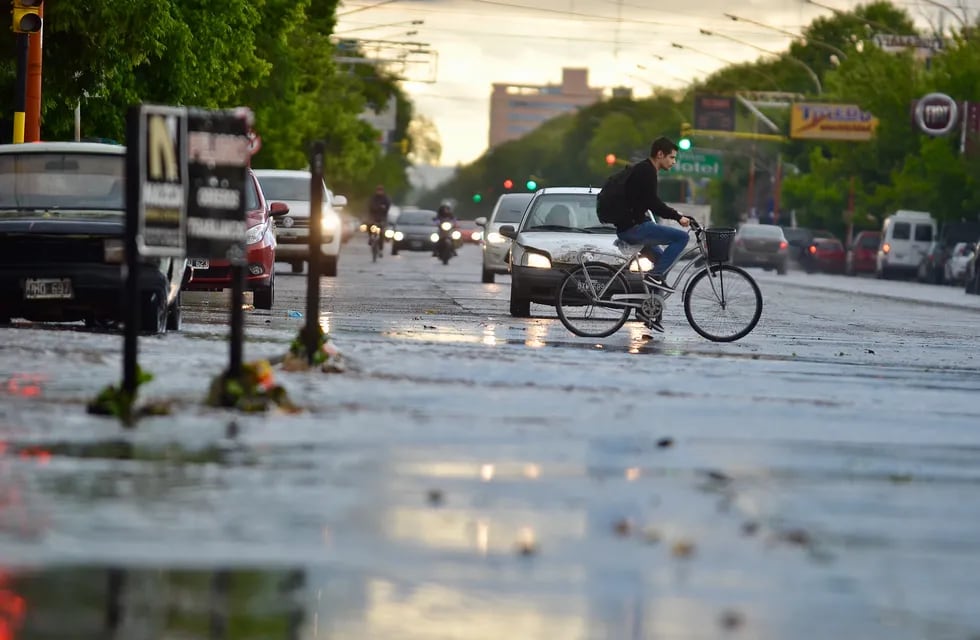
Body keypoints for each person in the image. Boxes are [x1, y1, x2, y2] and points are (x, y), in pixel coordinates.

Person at [614, 137, 692, 332]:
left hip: (635, 225)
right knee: (682, 237)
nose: (674, 162)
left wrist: (676, 214)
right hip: (634, 229)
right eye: (672, 158)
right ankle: (654, 277)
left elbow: (649, 202)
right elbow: (653, 203)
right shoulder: (647, 170)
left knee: (661, 264)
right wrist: (677, 217)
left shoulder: (646, 170)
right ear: (660, 154)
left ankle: (649, 313)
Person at [367, 185, 392, 252]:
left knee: (381, 233)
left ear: (383, 191)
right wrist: (378, 207)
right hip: (374, 216)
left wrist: (383, 208)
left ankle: (380, 248)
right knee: (369, 225)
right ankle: (370, 238)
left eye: (380, 190)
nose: (379, 192)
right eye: (378, 190)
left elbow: (388, 206)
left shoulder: (385, 198)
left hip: (382, 217)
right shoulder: (373, 198)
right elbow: (370, 206)